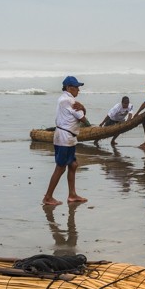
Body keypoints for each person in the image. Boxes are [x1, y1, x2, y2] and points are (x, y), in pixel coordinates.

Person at [43, 76, 89, 205]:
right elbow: (84, 120)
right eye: (76, 87)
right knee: (61, 167)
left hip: (67, 136)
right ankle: (48, 197)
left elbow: (81, 115)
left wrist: (83, 108)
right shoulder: (69, 100)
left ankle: (72, 194)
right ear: (69, 88)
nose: (78, 90)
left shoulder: (64, 99)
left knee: (73, 165)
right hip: (65, 138)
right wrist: (84, 110)